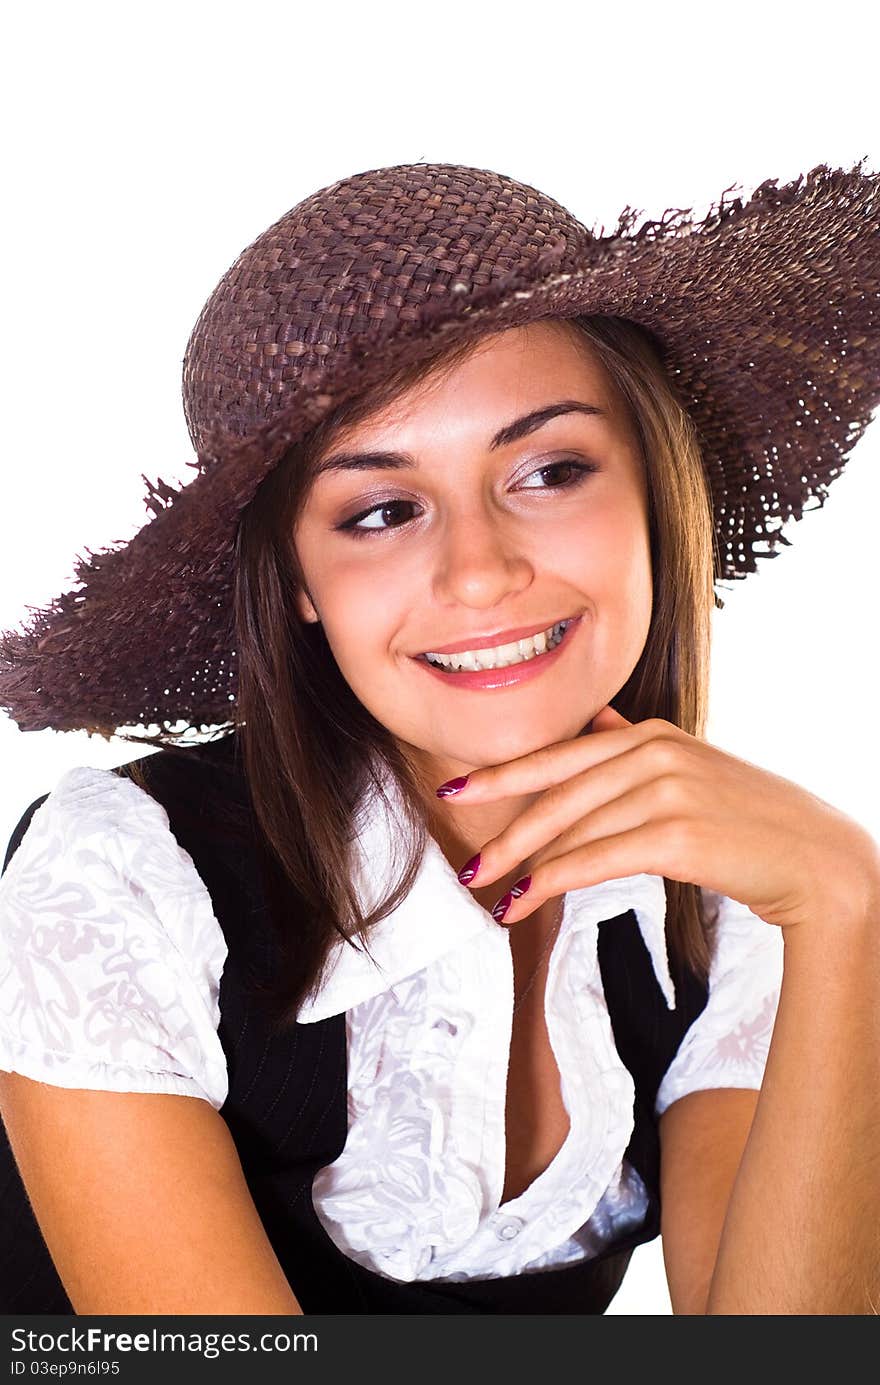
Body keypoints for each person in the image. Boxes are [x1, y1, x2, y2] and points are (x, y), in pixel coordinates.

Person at [0, 160, 878, 1316]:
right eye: (379, 510)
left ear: (656, 493)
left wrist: (845, 902)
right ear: (300, 582)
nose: (480, 572)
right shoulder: (123, 875)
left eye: (550, 469)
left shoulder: (730, 904)